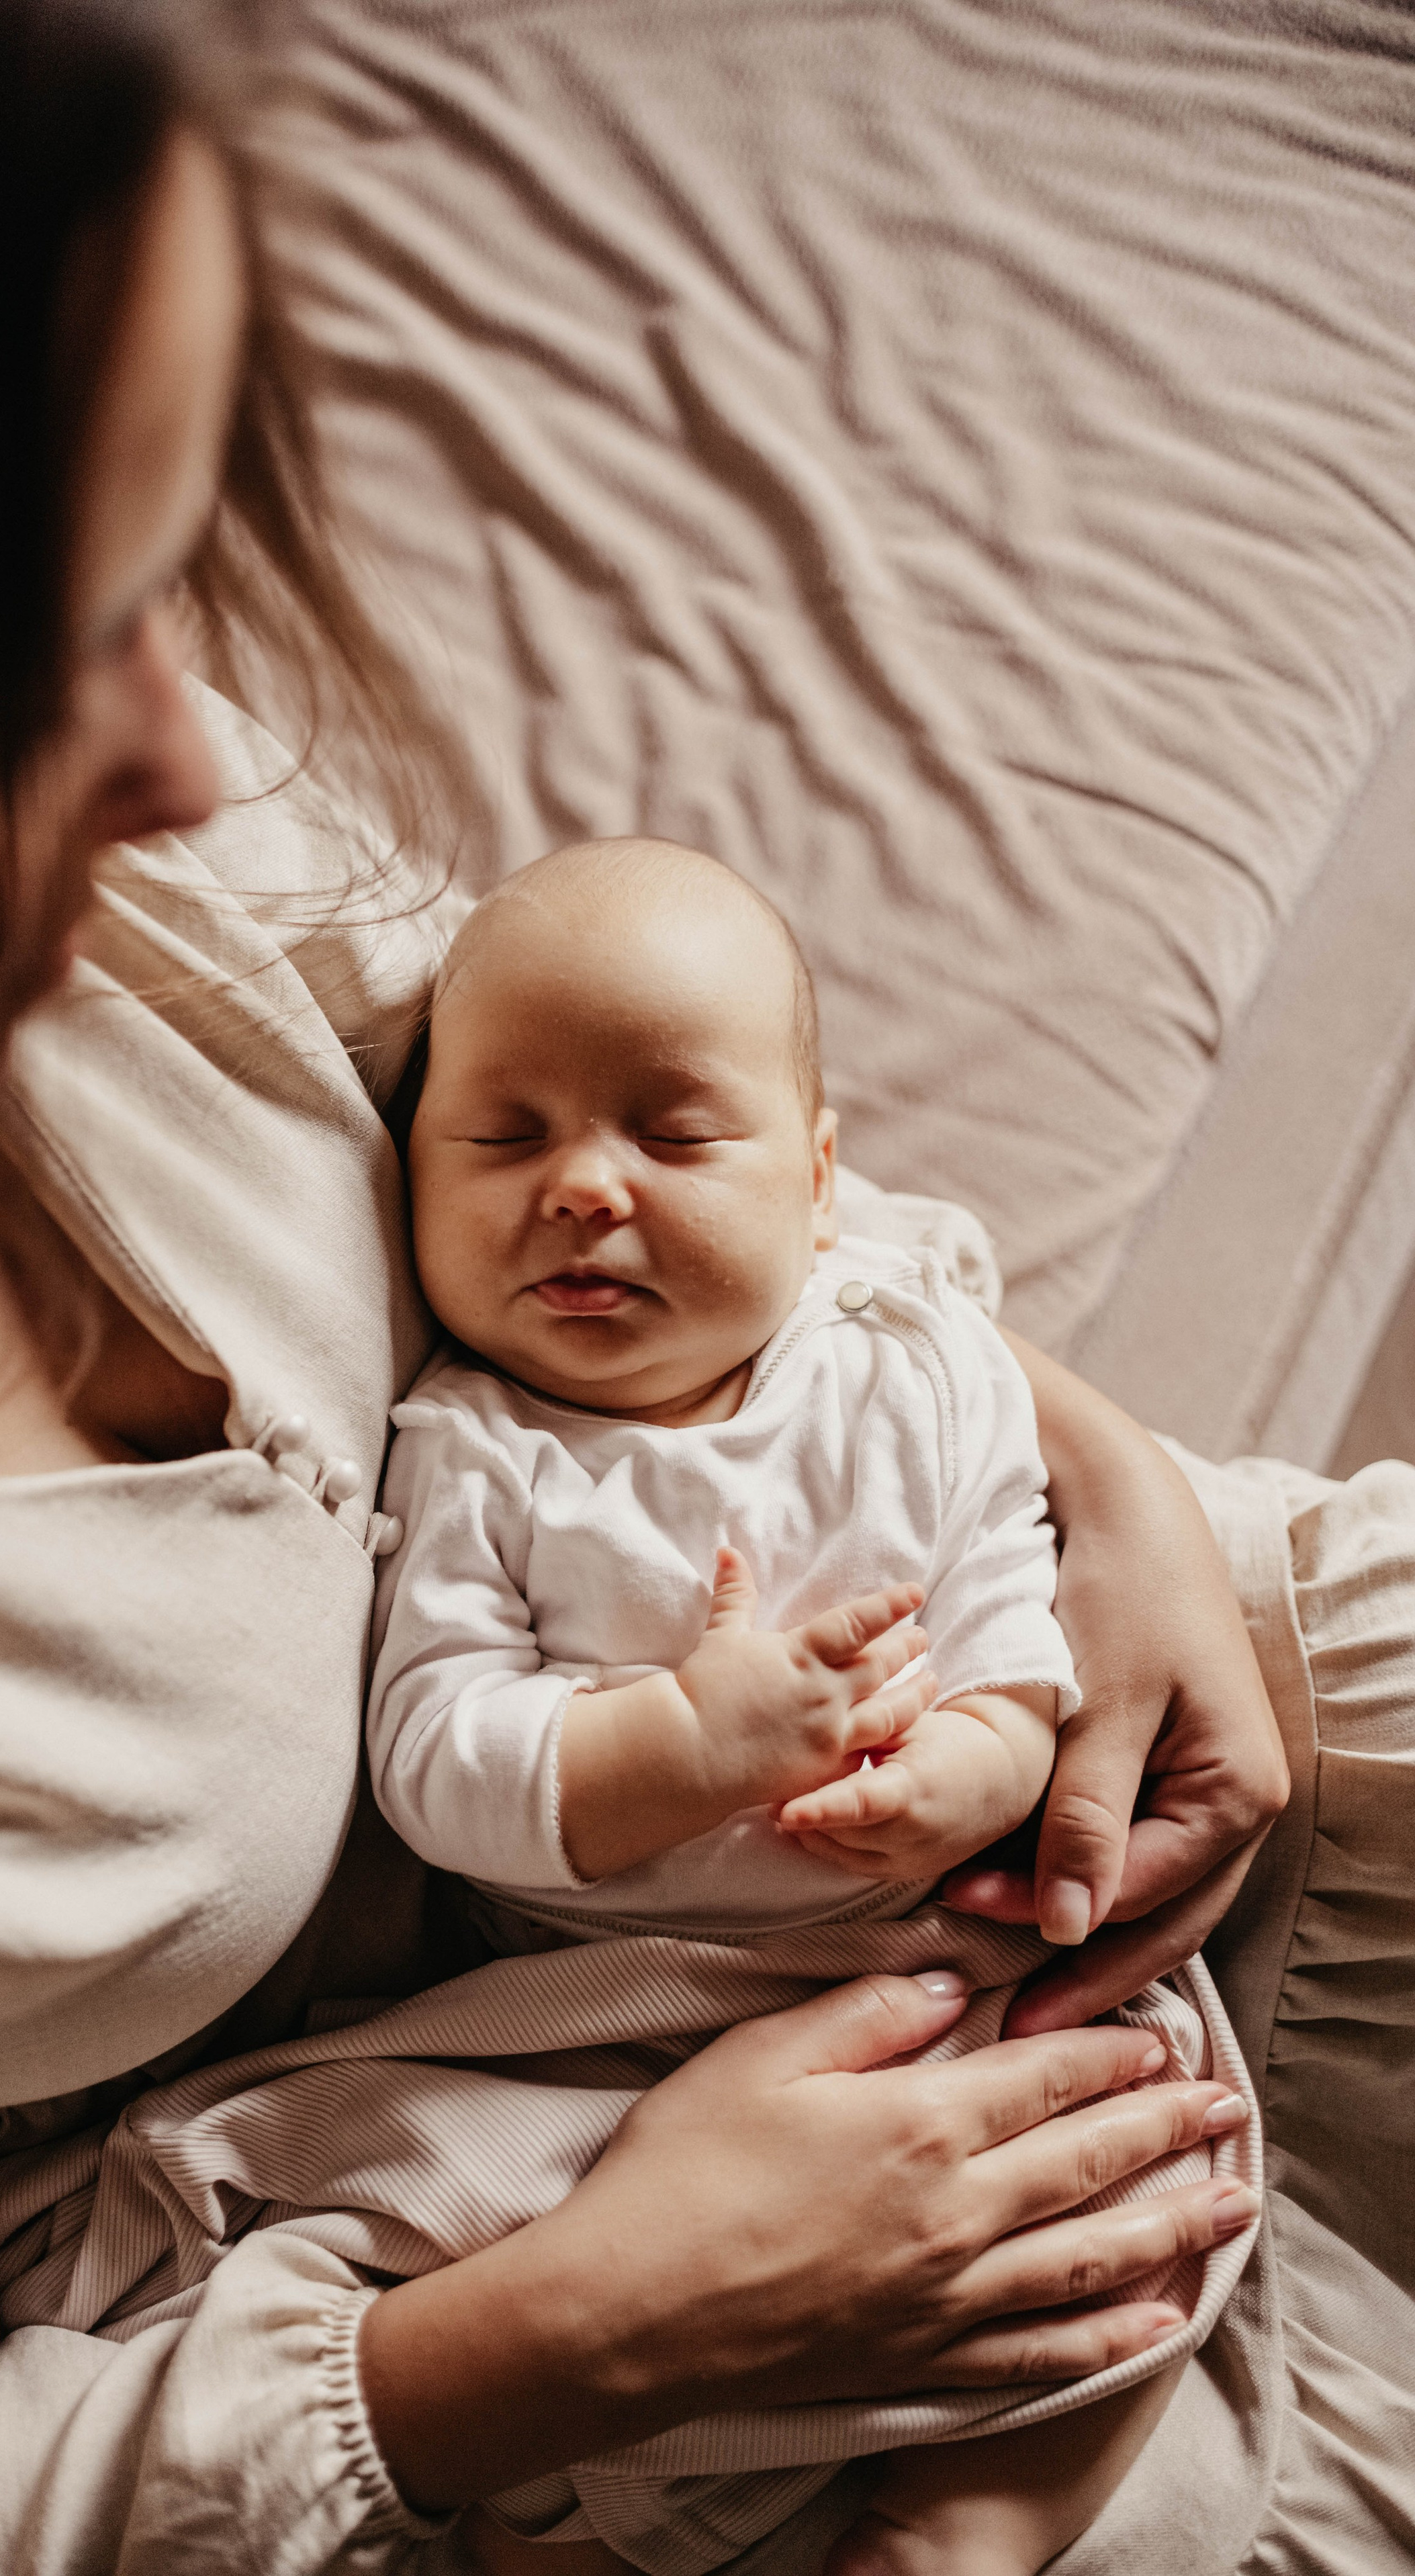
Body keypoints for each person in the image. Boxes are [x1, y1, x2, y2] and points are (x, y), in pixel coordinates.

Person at [0, 6, 1408, 2575]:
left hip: (981, 1708)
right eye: (52, 638)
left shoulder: (107, 830)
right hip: (485, 2168)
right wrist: (622, 2323)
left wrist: (1089, 1471)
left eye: (180, 575)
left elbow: (526, 1030)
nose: (197, 762)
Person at [361, 834, 1250, 2576]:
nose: (582, 1188)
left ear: (822, 1181)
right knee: (461, 2221)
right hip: (591, 2007)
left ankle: (957, 2529)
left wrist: (960, 1776)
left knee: (1153, 2175)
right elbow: (433, 1756)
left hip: (926, 1945)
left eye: (673, 1133)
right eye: (503, 1135)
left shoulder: (911, 1377)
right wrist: (677, 1753)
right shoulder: (482, 1453)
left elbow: (1017, 1639)